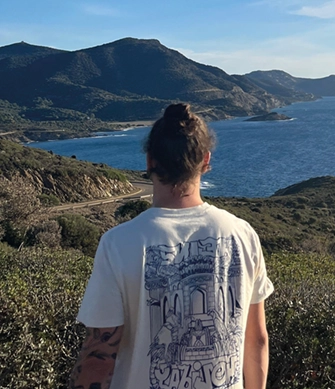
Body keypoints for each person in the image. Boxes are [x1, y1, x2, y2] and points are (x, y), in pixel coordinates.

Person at [69, 103, 273, 389]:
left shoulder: (118, 244)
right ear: (205, 160)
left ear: (150, 161)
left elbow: (99, 357)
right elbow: (257, 340)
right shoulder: (243, 234)